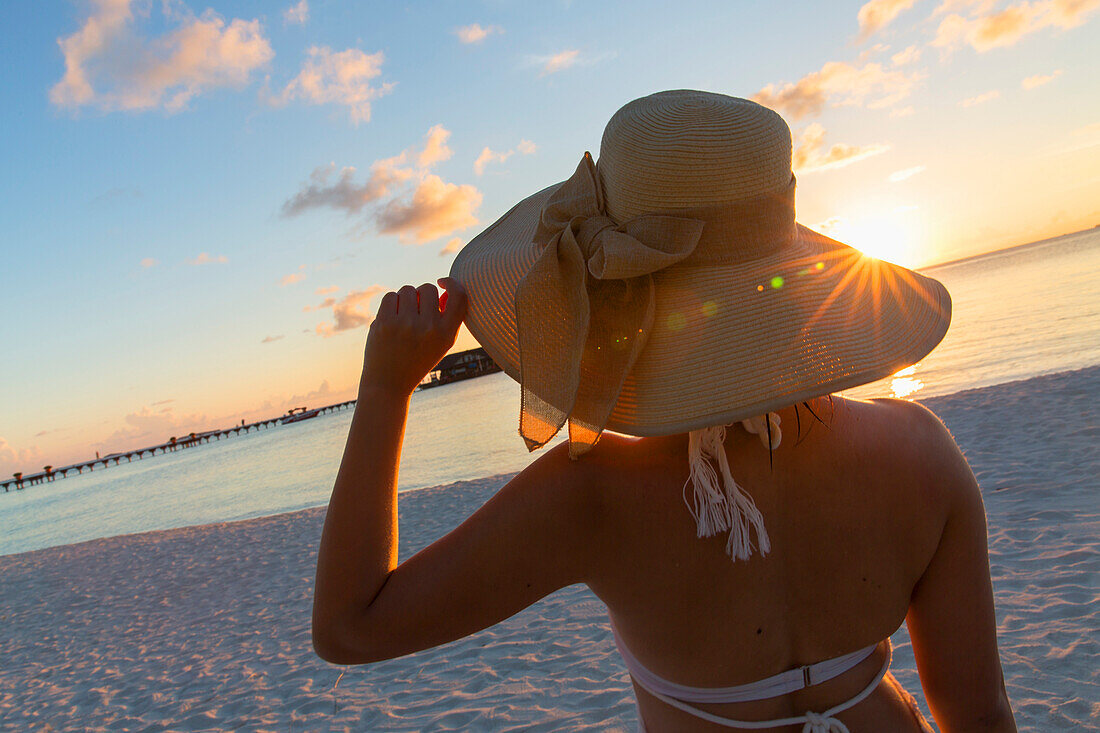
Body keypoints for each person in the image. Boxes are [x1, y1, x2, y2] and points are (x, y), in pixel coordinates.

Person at [312, 91, 1016, 732]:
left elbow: (351, 626)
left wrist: (384, 392)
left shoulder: (589, 497)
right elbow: (978, 713)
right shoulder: (920, 453)